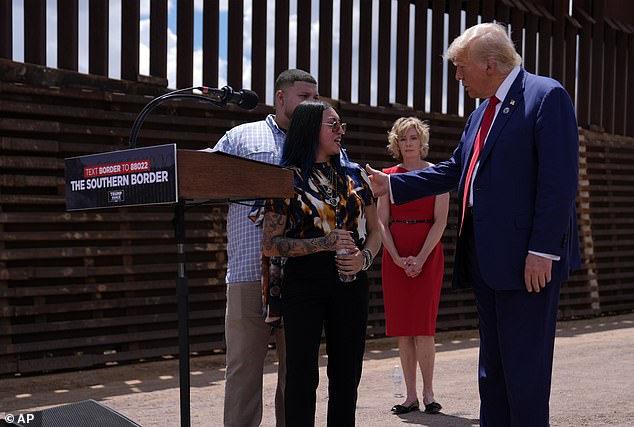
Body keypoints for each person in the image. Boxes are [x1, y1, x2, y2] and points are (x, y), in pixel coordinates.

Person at [365, 23, 580, 427]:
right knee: (492, 372)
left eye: (462, 67)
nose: (458, 76)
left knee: (525, 372)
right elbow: (455, 170)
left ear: (490, 63)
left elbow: (560, 181)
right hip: (486, 261)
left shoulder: (546, 96)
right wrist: (393, 184)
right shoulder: (481, 112)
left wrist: (542, 250)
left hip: (527, 264)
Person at [261, 100, 382, 427]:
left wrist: (363, 259)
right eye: (333, 124)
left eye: (341, 124)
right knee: (300, 373)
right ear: (310, 128)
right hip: (303, 281)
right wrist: (322, 243)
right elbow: (271, 245)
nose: (341, 131)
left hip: (351, 278)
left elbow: (376, 231)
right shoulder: (284, 178)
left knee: (347, 372)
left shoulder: (356, 175)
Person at [210, 69, 318, 427]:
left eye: (315, 97)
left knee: (298, 372)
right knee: (243, 371)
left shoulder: (319, 143)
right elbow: (203, 173)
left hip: (302, 274)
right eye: (304, 96)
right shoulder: (242, 137)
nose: (311, 104)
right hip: (246, 274)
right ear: (281, 97)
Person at [378, 117, 448, 415]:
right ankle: (409, 397)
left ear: (422, 141)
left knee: (423, 329)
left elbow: (441, 221)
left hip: (428, 254)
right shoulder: (387, 176)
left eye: (413, 138)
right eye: (403, 138)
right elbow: (381, 221)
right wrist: (395, 257)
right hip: (394, 255)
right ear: (396, 143)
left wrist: (420, 258)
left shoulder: (437, 175)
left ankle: (429, 393)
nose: (408, 143)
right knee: (403, 330)